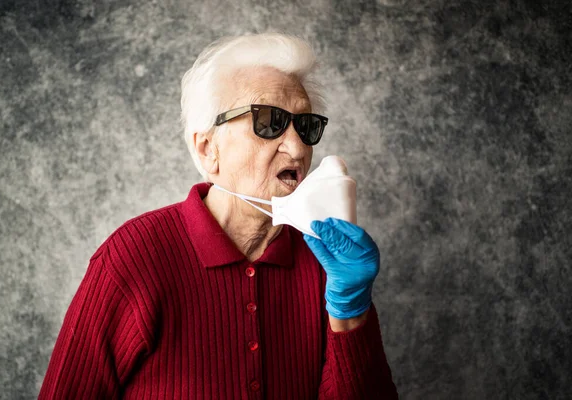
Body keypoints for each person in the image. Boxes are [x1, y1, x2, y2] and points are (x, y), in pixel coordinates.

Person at [38, 32, 398, 399]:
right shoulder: (132, 257)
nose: (296, 147)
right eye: (269, 122)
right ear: (209, 149)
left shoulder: (325, 261)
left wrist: (350, 314)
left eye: (305, 127)